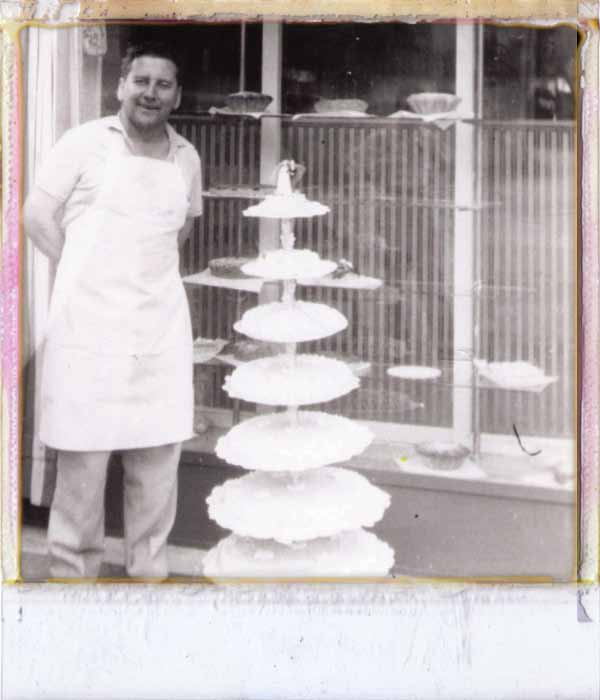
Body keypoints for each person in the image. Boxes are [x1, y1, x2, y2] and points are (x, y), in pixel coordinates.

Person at [23, 41, 203, 579]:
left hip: (158, 330)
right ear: (121, 85)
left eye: (163, 83)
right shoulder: (84, 143)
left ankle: (147, 579)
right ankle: (72, 583)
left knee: (155, 468)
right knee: (82, 468)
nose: (151, 92)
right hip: (89, 330)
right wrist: (83, 269)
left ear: (176, 95)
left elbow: (182, 230)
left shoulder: (187, 156)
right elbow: (36, 216)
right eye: (141, 80)